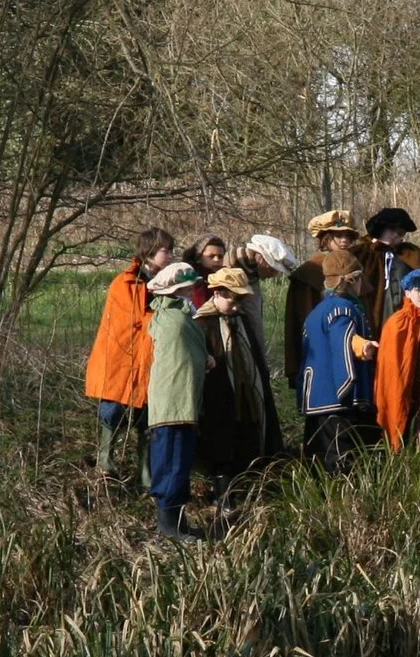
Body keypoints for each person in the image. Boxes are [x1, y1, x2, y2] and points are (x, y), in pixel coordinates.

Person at [84, 226, 174, 485]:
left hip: (149, 360)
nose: (169, 256)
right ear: (149, 252)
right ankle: (105, 458)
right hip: (120, 360)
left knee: (147, 417)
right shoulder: (126, 282)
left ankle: (145, 472)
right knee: (112, 410)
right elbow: (135, 318)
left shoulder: (164, 282)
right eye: (165, 251)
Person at [194, 265, 282, 494]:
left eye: (239, 300)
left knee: (248, 431)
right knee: (220, 438)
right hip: (218, 394)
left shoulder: (240, 319)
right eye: (232, 300)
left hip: (246, 391)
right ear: (217, 294)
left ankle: (251, 482)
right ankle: (222, 492)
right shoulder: (204, 322)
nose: (236, 305)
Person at [142, 260, 208, 537]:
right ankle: (169, 526)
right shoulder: (176, 320)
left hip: (177, 402)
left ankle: (177, 522)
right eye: (189, 289)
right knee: (171, 462)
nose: (192, 293)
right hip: (174, 403)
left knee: (177, 462)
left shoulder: (169, 317)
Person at [299, 255, 381, 473]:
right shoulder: (343, 309)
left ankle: (320, 502)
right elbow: (342, 341)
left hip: (316, 397)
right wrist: (346, 386)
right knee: (342, 459)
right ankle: (345, 505)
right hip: (336, 399)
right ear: (353, 280)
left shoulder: (317, 310)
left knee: (318, 456)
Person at [286, 209, 362, 380]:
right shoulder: (309, 272)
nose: (345, 240)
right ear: (326, 238)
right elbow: (302, 320)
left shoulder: (355, 268)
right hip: (320, 351)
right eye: (338, 235)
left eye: (349, 236)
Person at [375, 267, 420, 450]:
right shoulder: (398, 322)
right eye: (417, 290)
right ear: (408, 293)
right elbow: (392, 364)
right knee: (400, 415)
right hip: (404, 383)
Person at [363, 208, 420, 332]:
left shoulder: (409, 254)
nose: (395, 235)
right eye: (392, 230)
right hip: (370, 312)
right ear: (381, 228)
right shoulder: (363, 252)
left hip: (400, 313)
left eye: (400, 233)